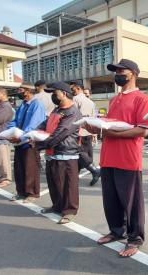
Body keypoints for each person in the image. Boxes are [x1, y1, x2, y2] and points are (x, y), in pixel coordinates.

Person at [87, 59, 148, 258]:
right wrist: (96, 128)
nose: (117, 74)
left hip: (128, 158)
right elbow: (108, 125)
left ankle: (135, 238)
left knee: (131, 202)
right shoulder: (114, 99)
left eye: (121, 71)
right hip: (108, 157)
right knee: (111, 199)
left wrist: (112, 134)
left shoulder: (141, 99)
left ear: (132, 73)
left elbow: (142, 130)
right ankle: (116, 231)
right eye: (116, 71)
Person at [37, 82, 82, 224]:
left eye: (54, 93)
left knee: (68, 185)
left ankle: (69, 210)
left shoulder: (72, 112)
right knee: (54, 183)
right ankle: (57, 206)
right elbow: (45, 124)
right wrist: (33, 133)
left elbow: (60, 134)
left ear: (63, 93)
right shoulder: (57, 110)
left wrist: (39, 144)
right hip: (52, 152)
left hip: (66, 153)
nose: (53, 96)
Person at [7, 82, 46, 203]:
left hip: (30, 141)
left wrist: (21, 137)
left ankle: (32, 193)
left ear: (28, 91)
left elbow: (34, 125)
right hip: (19, 140)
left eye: (20, 90)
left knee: (31, 168)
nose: (18, 92)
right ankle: (21, 192)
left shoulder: (37, 104)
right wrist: (10, 131)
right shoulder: (23, 105)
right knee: (19, 168)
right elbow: (15, 121)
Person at [70, 80, 101, 186]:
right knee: (83, 154)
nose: (71, 90)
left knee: (80, 154)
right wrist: (94, 134)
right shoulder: (91, 102)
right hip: (88, 131)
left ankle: (94, 171)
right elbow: (94, 118)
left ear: (78, 88)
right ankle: (74, 177)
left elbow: (72, 116)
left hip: (79, 132)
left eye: (72, 88)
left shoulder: (75, 99)